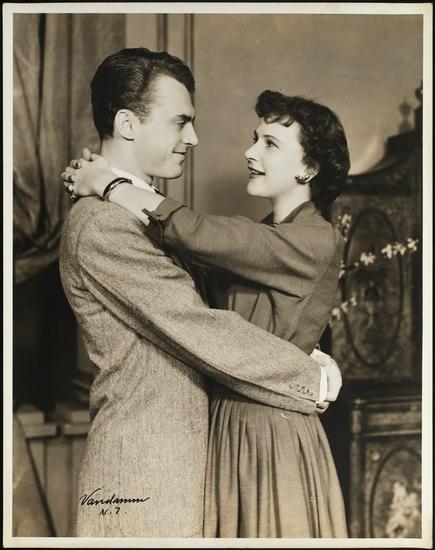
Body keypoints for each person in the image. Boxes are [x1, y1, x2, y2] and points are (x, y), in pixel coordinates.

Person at [59, 47, 342, 538]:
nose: (193, 138)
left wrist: (110, 182)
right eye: (180, 122)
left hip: (194, 461)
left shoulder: (132, 216)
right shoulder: (104, 225)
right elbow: (195, 325)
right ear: (127, 124)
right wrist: (308, 376)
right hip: (146, 473)